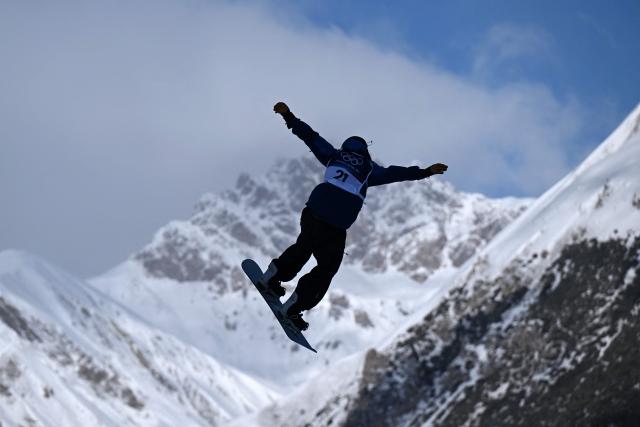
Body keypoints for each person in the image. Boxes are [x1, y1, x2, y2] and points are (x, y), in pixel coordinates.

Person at [259, 102, 448, 330]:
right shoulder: (369, 169)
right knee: (327, 268)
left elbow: (309, 136)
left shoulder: (333, 155)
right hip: (336, 225)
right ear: (365, 152)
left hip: (314, 211)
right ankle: (295, 305)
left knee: (304, 247)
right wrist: (426, 171)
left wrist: (288, 116)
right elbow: (396, 173)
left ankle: (274, 275)